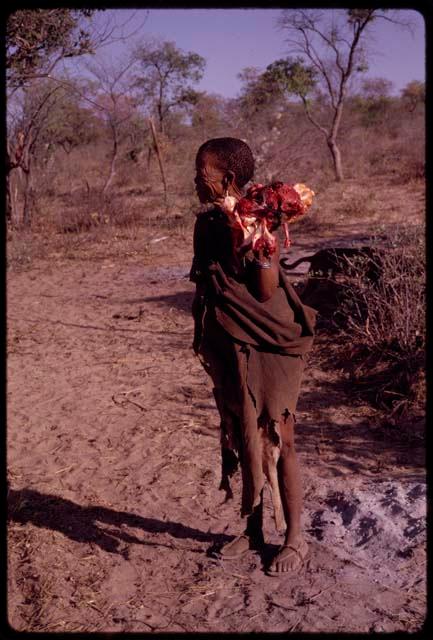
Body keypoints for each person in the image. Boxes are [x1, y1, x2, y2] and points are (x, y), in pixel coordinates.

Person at [190, 137, 316, 575]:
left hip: (271, 338)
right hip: (229, 339)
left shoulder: (258, 219)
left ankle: (296, 537)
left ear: (226, 178)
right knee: (243, 432)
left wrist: (256, 238)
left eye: (201, 174)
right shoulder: (206, 223)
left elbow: (264, 292)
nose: (194, 181)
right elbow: (205, 282)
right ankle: (254, 530)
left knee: (279, 436)